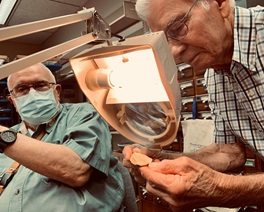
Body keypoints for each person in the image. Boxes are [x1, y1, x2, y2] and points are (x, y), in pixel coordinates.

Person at [122, 0, 264, 211]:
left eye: (178, 28)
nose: (174, 52)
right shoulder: (213, 76)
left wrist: (220, 188)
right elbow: (229, 152)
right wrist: (165, 160)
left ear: (220, 4)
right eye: (165, 40)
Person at [0, 63, 124, 211]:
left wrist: (3, 138)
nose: (32, 93)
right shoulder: (12, 133)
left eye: (40, 85)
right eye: (22, 89)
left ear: (56, 91)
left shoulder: (83, 114)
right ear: (12, 100)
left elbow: (76, 170)